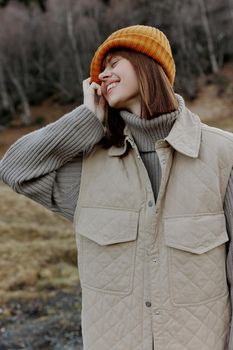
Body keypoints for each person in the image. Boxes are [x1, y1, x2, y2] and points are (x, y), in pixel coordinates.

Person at [0, 24, 232, 350]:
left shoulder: (224, 155)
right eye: (100, 72)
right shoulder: (89, 169)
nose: (102, 77)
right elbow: (14, 169)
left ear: (147, 62)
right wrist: (86, 118)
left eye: (114, 64)